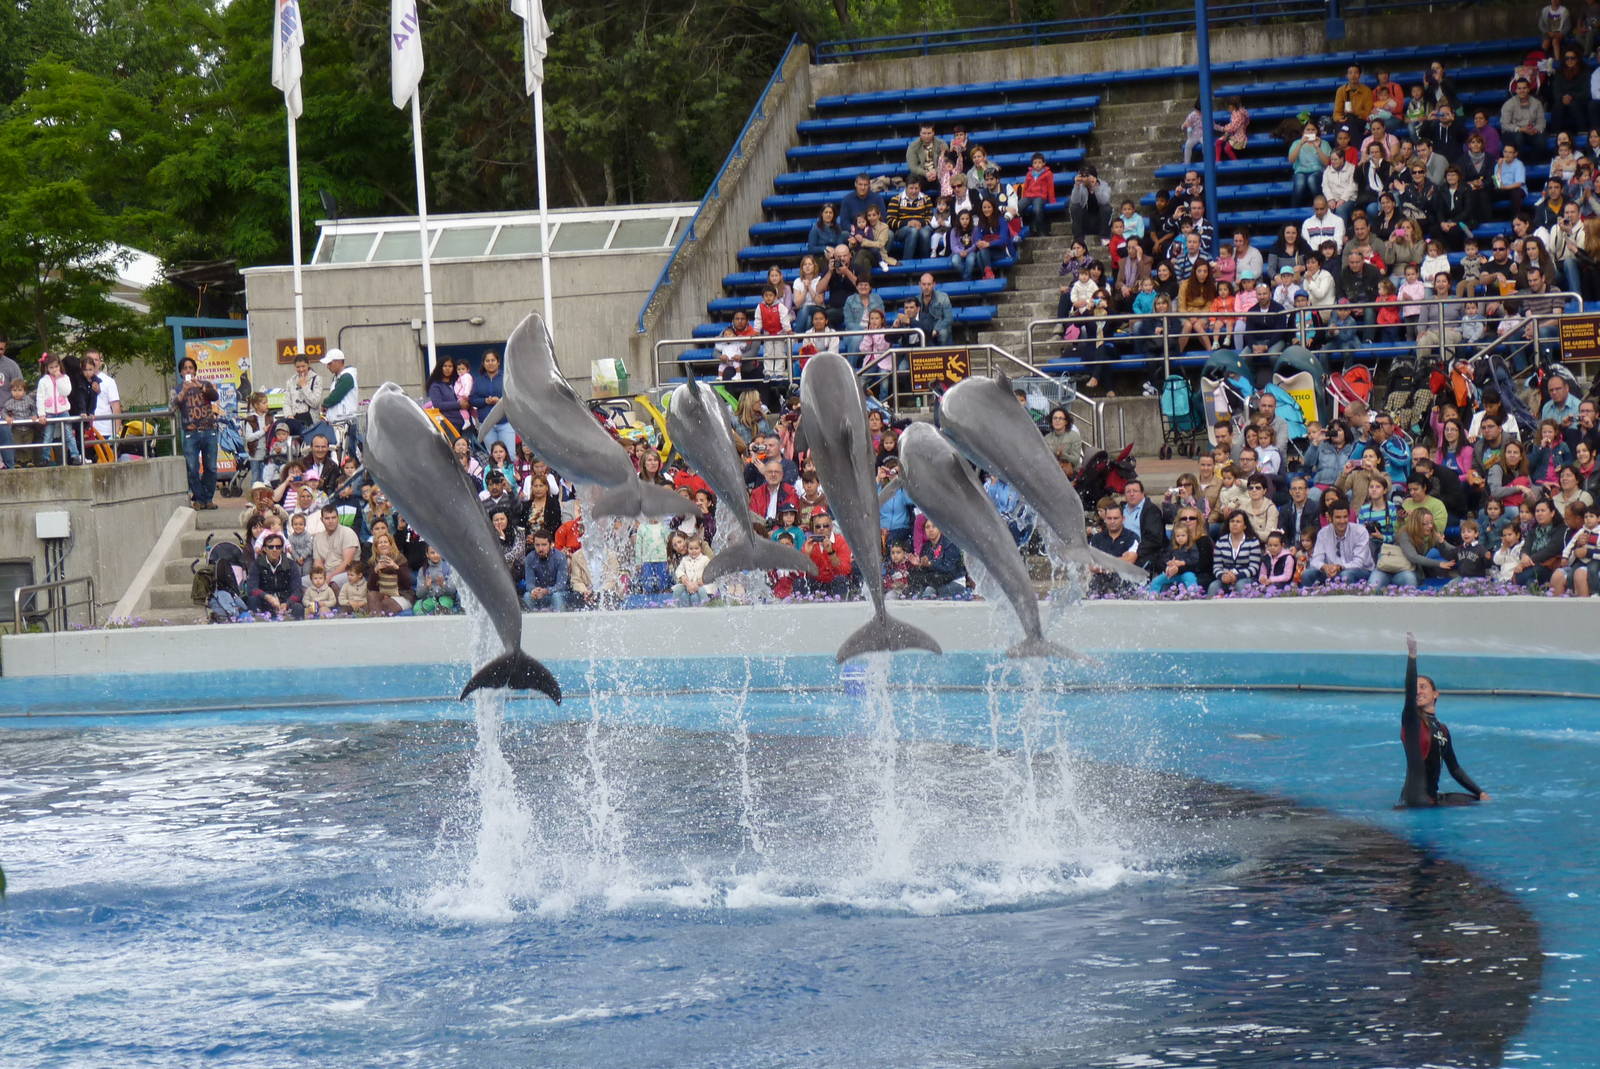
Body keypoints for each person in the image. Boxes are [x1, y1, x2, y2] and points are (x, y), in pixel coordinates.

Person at [1397, 632, 1488, 807]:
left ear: (1435, 694)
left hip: (1432, 799)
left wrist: (1480, 792)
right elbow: (1409, 693)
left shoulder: (1442, 730)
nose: (1418, 692)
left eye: (1423, 687)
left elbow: (1454, 769)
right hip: (1415, 801)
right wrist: (1412, 656)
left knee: (1478, 802)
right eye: (1415, 688)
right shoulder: (1412, 721)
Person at [246, 532, 304, 619]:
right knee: (252, 600)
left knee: (298, 607)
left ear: (282, 549)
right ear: (264, 549)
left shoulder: (290, 564)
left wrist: (287, 603)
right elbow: (251, 588)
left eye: (278, 547)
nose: (274, 549)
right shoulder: (257, 564)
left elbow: (297, 591)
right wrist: (268, 597)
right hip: (265, 603)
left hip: (285, 603)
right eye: (270, 547)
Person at [906, 519, 966, 598]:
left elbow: (949, 569)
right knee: (914, 576)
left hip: (954, 581)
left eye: (934, 526)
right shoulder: (926, 547)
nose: (930, 529)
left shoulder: (950, 544)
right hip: (936, 581)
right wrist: (919, 565)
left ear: (940, 528)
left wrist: (930, 563)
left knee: (931, 588)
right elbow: (926, 571)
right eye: (927, 527)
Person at [318, 348, 360, 458]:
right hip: (338, 423)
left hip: (346, 422)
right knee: (339, 453)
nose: (328, 366)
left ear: (338, 362)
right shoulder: (338, 377)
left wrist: (325, 404)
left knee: (349, 453)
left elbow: (336, 397)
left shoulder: (347, 377)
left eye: (330, 363)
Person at [801, 512, 853, 598]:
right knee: (800, 582)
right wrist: (806, 555)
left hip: (835, 582)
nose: (821, 529)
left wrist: (831, 553)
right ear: (813, 529)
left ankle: (841, 606)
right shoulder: (809, 543)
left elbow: (844, 571)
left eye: (825, 526)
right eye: (818, 526)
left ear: (831, 527)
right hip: (817, 583)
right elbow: (800, 573)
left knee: (840, 580)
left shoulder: (841, 541)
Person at [1068, 166, 1111, 240]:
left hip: (1099, 220)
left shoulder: (1103, 185)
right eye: (1083, 176)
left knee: (1106, 208)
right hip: (1085, 220)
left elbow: (1104, 201)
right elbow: (1074, 201)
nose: (1085, 179)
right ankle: (1078, 238)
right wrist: (1077, 186)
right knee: (1074, 207)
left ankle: (1104, 237)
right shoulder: (1080, 185)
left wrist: (1095, 188)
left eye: (1087, 176)